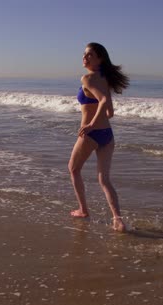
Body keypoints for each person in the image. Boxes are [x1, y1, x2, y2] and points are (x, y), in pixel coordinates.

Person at [68, 42, 129, 232]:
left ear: (100, 59)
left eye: (90, 55)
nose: (85, 58)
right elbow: (110, 111)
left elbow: (102, 101)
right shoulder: (105, 79)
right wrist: (98, 118)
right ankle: (117, 219)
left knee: (73, 169)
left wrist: (91, 123)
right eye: (84, 54)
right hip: (107, 134)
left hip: (92, 133)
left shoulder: (87, 79)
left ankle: (83, 209)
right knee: (104, 180)